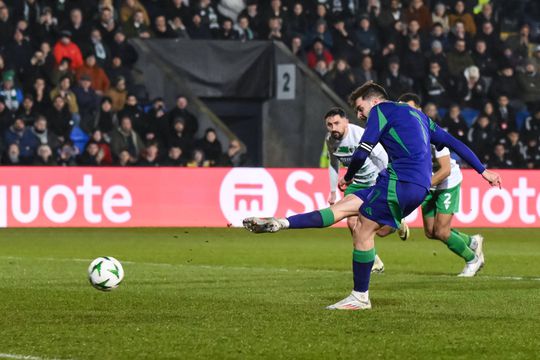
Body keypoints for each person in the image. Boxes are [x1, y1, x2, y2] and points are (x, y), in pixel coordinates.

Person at [243, 82, 501, 310]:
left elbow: (364, 149)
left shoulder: (381, 111)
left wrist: (348, 176)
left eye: (359, 108)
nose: (359, 114)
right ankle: (280, 223)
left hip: (400, 182)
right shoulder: (420, 117)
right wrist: (483, 170)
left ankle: (360, 296)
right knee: (343, 209)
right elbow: (453, 142)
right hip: (408, 184)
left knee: (363, 231)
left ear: (374, 101)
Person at [398, 93, 484, 276]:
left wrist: (421, 185)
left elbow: (445, 169)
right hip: (427, 184)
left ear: (419, 110)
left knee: (442, 231)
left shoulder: (431, 132)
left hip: (446, 182)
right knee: (431, 232)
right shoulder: (402, 134)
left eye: (411, 108)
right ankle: (472, 242)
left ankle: (473, 259)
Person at [324, 107, 407, 274]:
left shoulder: (360, 135)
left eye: (337, 123)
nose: (334, 128)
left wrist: (389, 180)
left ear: (346, 121)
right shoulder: (330, 140)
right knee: (352, 222)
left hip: (375, 181)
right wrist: (333, 191)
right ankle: (374, 261)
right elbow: (333, 164)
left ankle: (396, 223)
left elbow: (381, 156)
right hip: (355, 184)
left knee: (381, 231)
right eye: (329, 125)